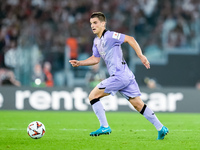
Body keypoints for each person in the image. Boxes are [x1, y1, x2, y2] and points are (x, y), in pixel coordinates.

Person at [69, 12, 169, 140]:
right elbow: (95, 59)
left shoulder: (110, 36)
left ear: (103, 23)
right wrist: (80, 63)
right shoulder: (96, 41)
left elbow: (130, 39)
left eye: (95, 23)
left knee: (93, 96)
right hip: (126, 75)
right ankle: (161, 128)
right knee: (138, 105)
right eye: (91, 24)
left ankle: (104, 126)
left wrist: (141, 55)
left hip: (120, 76)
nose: (92, 26)